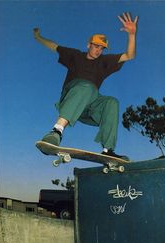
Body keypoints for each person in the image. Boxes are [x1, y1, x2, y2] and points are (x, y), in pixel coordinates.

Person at [33, 12, 138, 159]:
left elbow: (129, 55)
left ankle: (108, 150)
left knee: (111, 102)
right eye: (96, 46)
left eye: (102, 48)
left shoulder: (104, 62)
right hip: (71, 98)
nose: (98, 51)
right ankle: (56, 131)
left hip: (88, 108)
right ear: (88, 44)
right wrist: (38, 37)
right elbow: (53, 46)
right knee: (87, 86)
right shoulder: (75, 56)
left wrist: (132, 34)